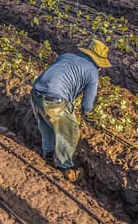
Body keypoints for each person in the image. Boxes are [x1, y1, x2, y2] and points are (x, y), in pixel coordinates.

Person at [30, 39, 111, 182]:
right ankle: (65, 168)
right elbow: (87, 105)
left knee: (47, 126)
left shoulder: (65, 56)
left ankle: (48, 156)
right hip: (54, 100)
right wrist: (86, 114)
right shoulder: (92, 72)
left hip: (35, 93)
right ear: (99, 63)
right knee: (70, 132)